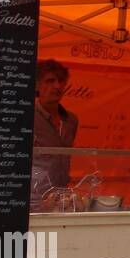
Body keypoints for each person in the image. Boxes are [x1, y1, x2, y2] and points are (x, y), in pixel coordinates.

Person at [31, 59, 79, 210]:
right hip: (34, 197)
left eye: (61, 80)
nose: (57, 86)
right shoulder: (27, 116)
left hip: (62, 196)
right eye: (50, 81)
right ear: (37, 85)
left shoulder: (71, 120)